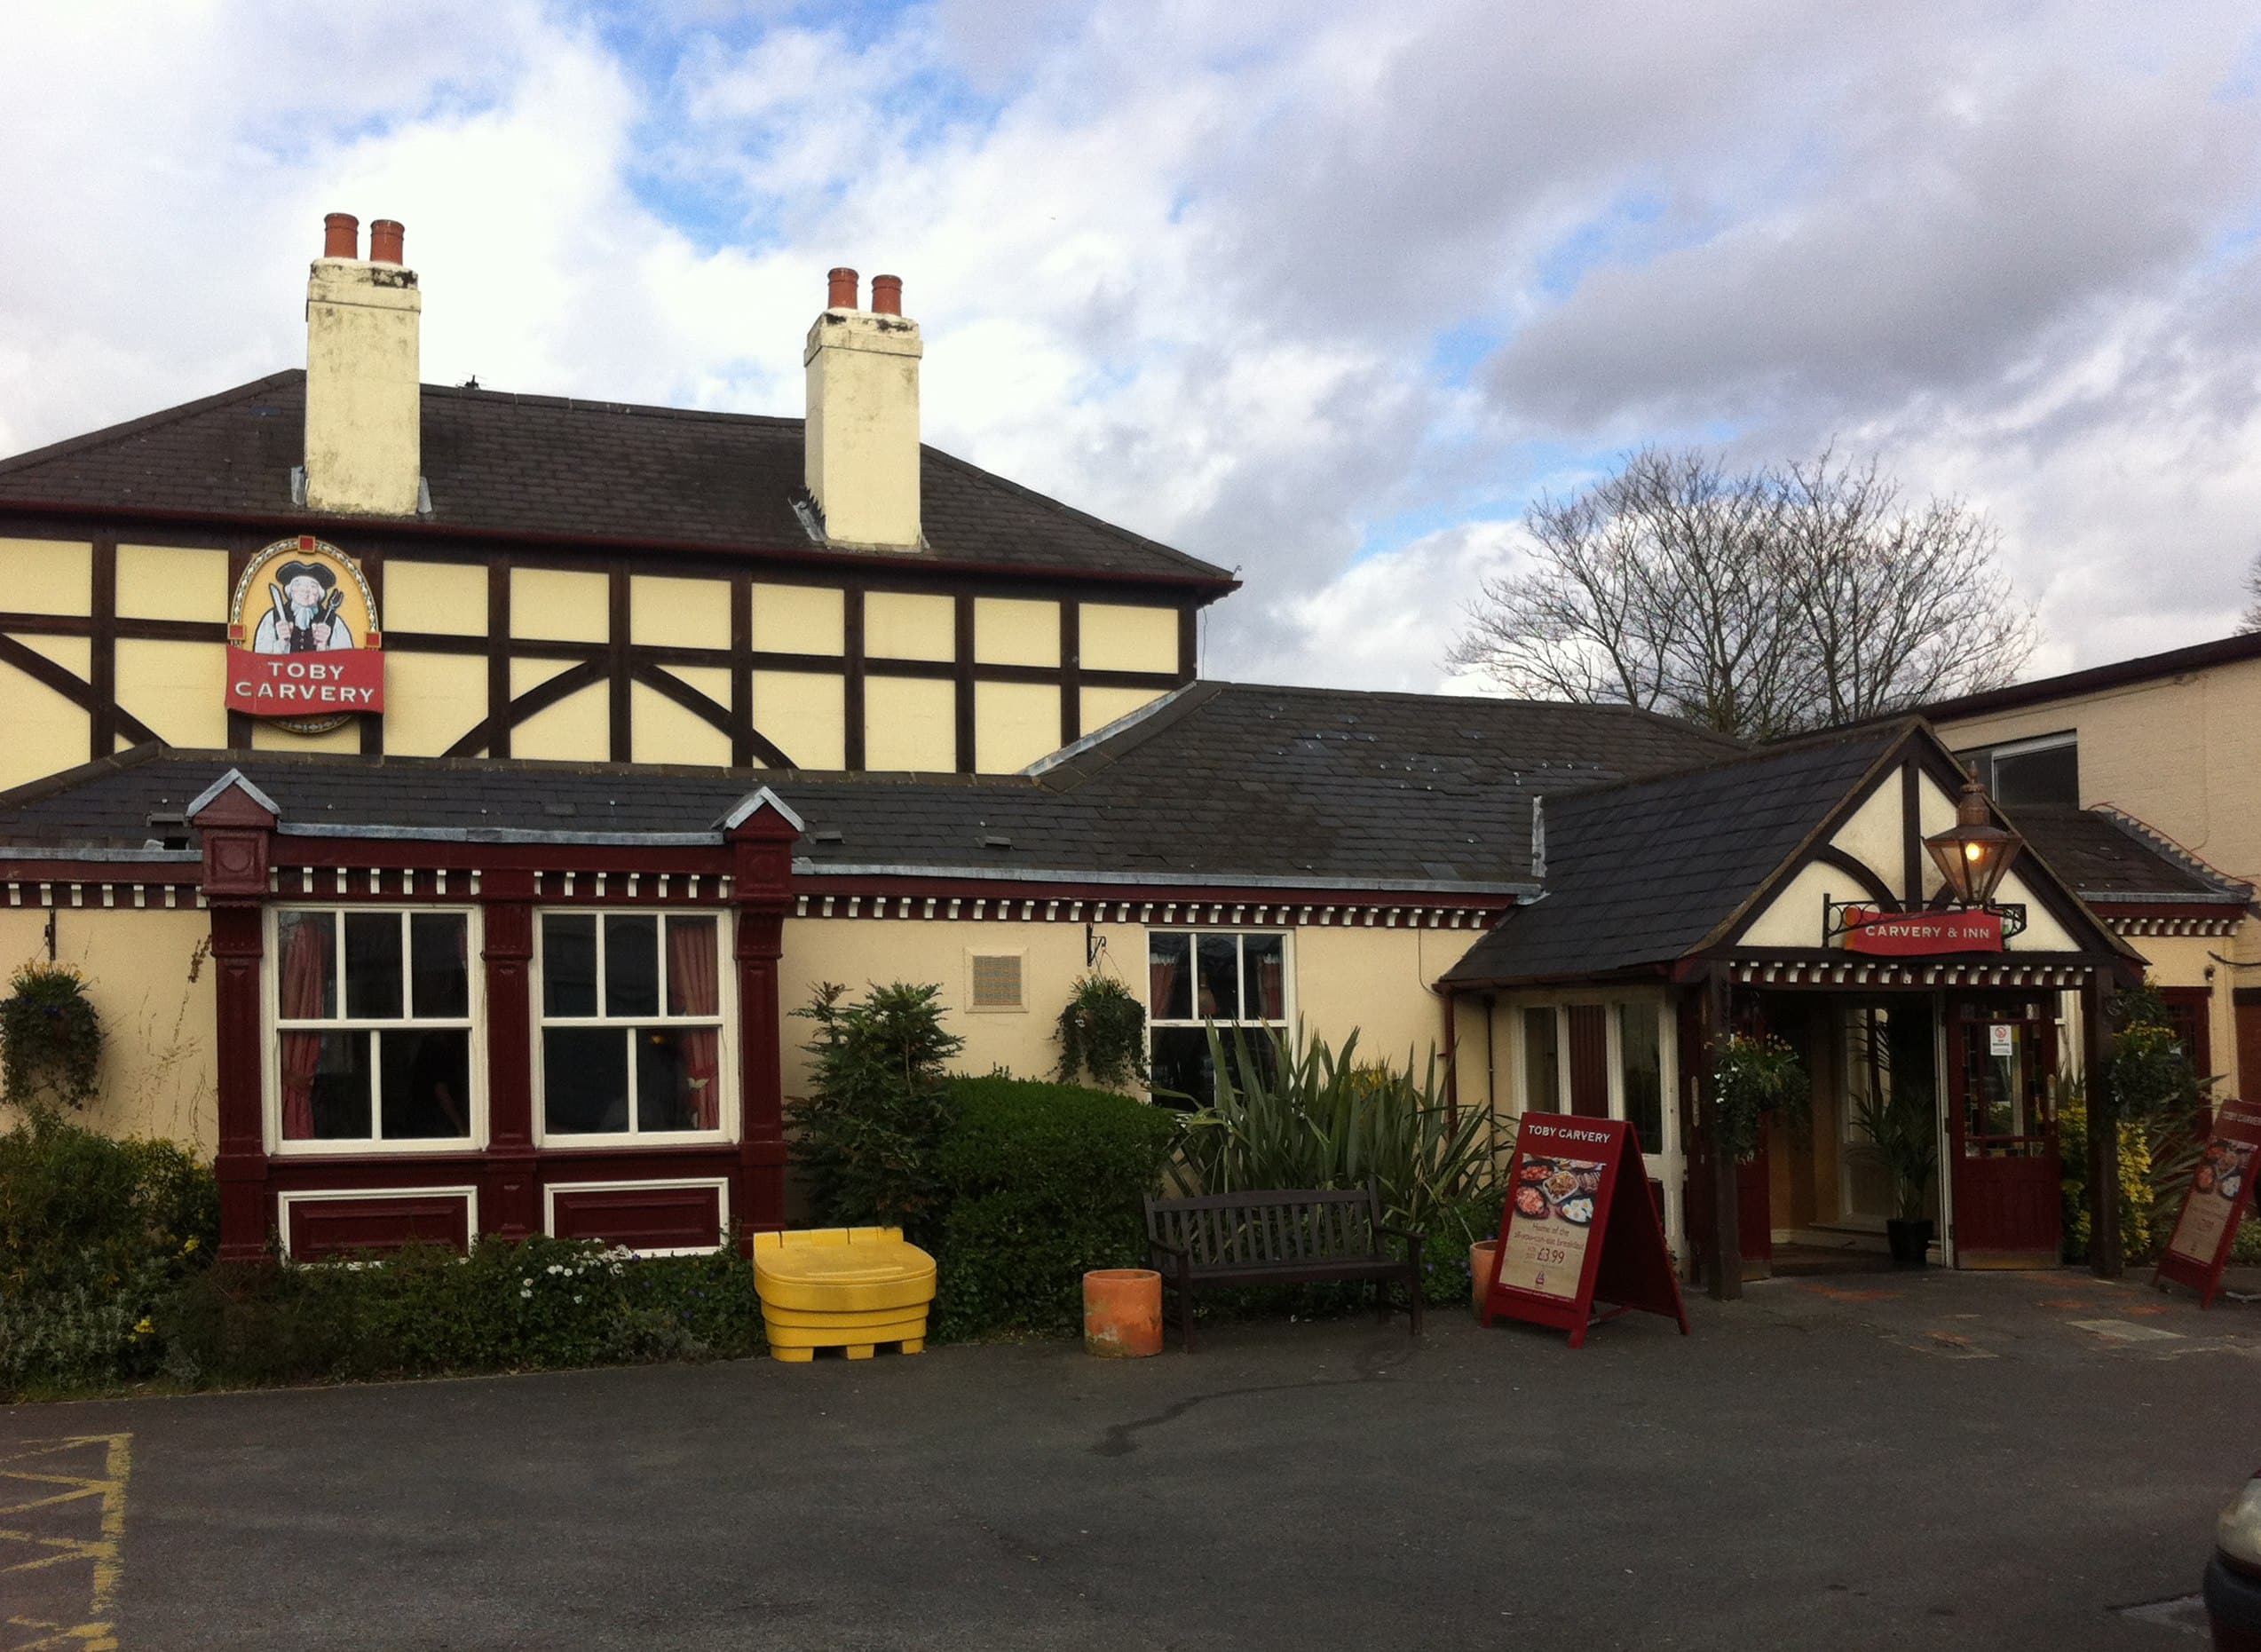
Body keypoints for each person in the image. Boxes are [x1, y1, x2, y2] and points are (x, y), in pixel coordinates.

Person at [252, 560, 354, 653]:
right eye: (298, 584)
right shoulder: (272, 618)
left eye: (313, 586)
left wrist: (324, 646)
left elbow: (349, 665)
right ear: (290, 590)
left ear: (320, 593)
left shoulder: (334, 623)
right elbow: (258, 664)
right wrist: (282, 643)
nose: (305, 590)